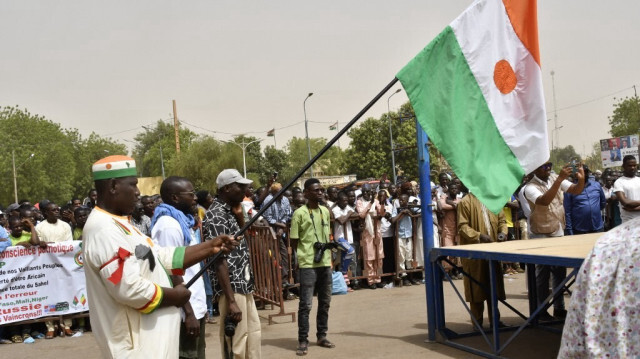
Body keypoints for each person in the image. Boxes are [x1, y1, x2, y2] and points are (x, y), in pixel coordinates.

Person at [82, 155, 236, 358]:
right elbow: (128, 288)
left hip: (152, 343)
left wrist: (210, 247)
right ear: (113, 186)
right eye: (133, 185)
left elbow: (159, 257)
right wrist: (175, 296)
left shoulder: (122, 224)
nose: (138, 193)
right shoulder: (104, 229)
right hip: (136, 347)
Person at [558, 217, 640, 358]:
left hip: (595, 226)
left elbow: (573, 350)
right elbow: (568, 213)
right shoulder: (609, 247)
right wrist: (570, 232)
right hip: (577, 229)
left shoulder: (609, 246)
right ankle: (555, 308)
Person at [203, 169, 261, 359]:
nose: (245, 189)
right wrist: (231, 301)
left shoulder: (232, 211)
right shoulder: (216, 216)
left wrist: (239, 216)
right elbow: (218, 260)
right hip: (232, 288)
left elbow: (241, 239)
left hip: (243, 284)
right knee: (236, 341)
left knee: (252, 335)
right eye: (241, 186)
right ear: (227, 188)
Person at [151, 176, 208, 359]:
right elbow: (172, 271)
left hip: (195, 306)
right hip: (184, 312)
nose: (195, 198)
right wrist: (189, 313)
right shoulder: (168, 226)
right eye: (190, 194)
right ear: (175, 198)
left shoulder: (181, 222)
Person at [524, 161, 585, 320]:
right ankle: (541, 310)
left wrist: (581, 179)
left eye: (549, 165)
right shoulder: (530, 187)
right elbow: (544, 201)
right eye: (544, 166)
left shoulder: (553, 178)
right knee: (542, 273)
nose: (548, 168)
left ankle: (559, 308)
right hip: (541, 233)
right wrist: (558, 181)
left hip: (558, 229)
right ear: (535, 168)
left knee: (559, 271)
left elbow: (575, 190)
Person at [290, 178, 335, 356]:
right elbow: (294, 241)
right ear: (306, 193)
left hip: (325, 262)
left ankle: (322, 335)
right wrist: (305, 254)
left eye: (321, 190)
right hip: (308, 264)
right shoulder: (299, 213)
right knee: (306, 304)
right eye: (316, 190)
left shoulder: (324, 211)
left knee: (325, 302)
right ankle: (303, 340)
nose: (320, 193)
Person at [457, 192, 508, 329]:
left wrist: (503, 232)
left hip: (493, 251)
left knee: (493, 287)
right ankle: (477, 324)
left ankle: (495, 321)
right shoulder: (466, 202)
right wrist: (479, 236)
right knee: (476, 289)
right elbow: (462, 226)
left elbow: (502, 221)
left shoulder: (494, 199)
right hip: (475, 254)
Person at [36, 201, 75, 338]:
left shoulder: (65, 226)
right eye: (53, 210)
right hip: (47, 265)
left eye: (57, 209)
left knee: (66, 293)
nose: (56, 211)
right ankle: (51, 326)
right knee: (49, 295)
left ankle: (67, 325)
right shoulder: (40, 227)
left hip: (63, 264)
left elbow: (69, 245)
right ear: (46, 212)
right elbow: (38, 245)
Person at [263, 182, 293, 286]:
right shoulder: (268, 200)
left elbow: (287, 214)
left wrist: (282, 225)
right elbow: (268, 217)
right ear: (273, 192)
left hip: (282, 231)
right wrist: (280, 225)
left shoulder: (285, 200)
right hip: (270, 232)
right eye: (278, 193)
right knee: (274, 257)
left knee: (285, 255)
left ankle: (284, 280)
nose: (281, 194)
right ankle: (275, 281)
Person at [356, 183, 385, 289]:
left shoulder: (376, 201)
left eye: (368, 192)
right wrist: (370, 204)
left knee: (379, 256)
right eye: (364, 192)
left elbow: (381, 213)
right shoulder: (359, 202)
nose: (366, 194)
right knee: (369, 257)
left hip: (377, 231)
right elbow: (362, 215)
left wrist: (381, 202)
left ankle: (378, 278)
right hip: (367, 232)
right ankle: (371, 280)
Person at [564, 166, 606, 234]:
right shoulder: (570, 188)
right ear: (576, 174)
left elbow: (603, 202)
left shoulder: (596, 185)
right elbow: (567, 211)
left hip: (597, 227)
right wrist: (569, 230)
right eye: (581, 172)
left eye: (586, 172)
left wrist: (593, 210)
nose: (584, 174)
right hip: (580, 229)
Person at [439, 183, 461, 278]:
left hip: (458, 229)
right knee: (448, 250)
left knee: (457, 250)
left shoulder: (459, 199)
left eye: (455, 188)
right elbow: (442, 205)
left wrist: (453, 204)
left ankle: (455, 271)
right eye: (452, 188)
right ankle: (446, 272)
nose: (454, 190)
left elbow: (462, 205)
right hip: (447, 229)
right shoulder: (444, 197)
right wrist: (454, 206)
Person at [612, 155, 640, 223]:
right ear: (623, 166)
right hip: (629, 223)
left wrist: (633, 208)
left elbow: (628, 205)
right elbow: (625, 203)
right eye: (629, 166)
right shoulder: (619, 182)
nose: (632, 168)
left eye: (634, 165)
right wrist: (629, 205)